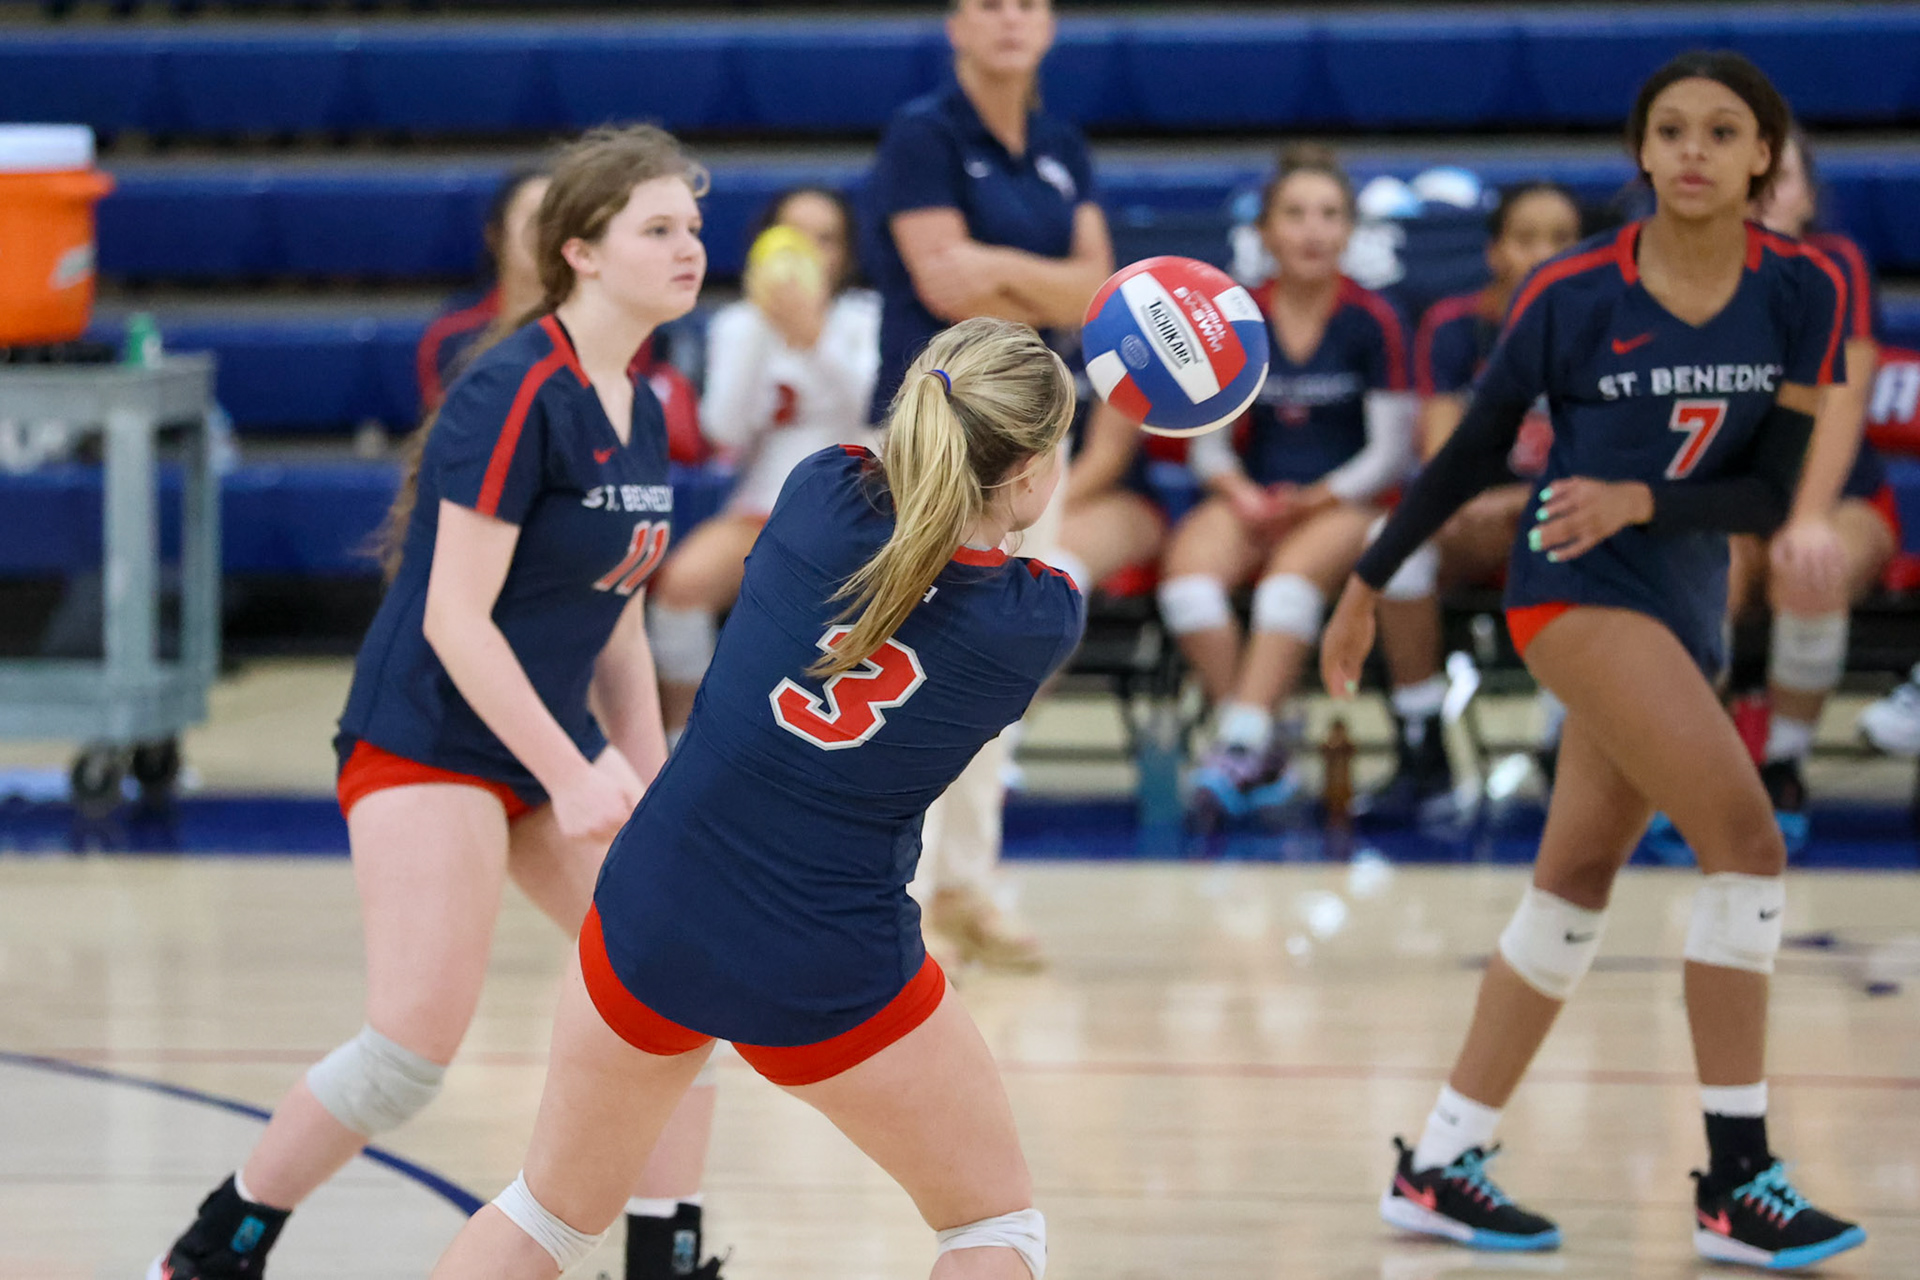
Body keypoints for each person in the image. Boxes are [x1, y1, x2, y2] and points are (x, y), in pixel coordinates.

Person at [149, 126, 728, 1280]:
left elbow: (616, 608)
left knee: (681, 985)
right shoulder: (513, 389)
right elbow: (457, 621)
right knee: (411, 1048)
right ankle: (222, 1243)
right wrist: (570, 774)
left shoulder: (645, 400)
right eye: (658, 229)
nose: (691, 250)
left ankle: (668, 1260)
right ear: (581, 251)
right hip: (425, 739)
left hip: (536, 741)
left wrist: (649, 778)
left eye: (696, 229)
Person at [1320, 53, 1866, 1268]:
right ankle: (1737, 1177)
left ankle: (1443, 1160)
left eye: (1724, 133)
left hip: (1682, 602)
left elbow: (1772, 495)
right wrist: (1367, 577)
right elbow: (1466, 456)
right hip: (1568, 589)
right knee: (1749, 841)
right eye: (1670, 130)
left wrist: (1641, 498)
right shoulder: (1573, 291)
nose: (1694, 152)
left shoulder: (1805, 287)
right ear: (1640, 152)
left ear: (1765, 158)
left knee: (1571, 882)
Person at [427, 317, 1083, 1280]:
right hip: (823, 959)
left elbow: (891, 481)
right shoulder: (1037, 620)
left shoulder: (820, 492)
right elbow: (984, 563)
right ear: (1029, 471)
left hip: (657, 902)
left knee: (549, 1217)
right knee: (991, 1228)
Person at [867, 0, 1113, 969]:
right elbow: (943, 286)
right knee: (919, 660)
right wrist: (1043, 280)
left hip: (1028, 445)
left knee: (1000, 665)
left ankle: (967, 881)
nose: (1010, 19)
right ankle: (904, 897)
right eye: (987, 4)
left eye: (1028, 4)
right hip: (930, 436)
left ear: (1051, 25)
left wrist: (1000, 272)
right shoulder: (923, 135)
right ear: (954, 25)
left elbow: (1099, 293)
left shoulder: (1060, 144)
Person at [1155, 143, 1415, 827]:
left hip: (1349, 501)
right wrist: (1242, 495)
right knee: (1187, 585)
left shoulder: (1376, 319)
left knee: (1286, 586)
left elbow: (1390, 454)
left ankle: (1236, 743)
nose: (1312, 230)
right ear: (1264, 231)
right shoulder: (1233, 317)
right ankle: (1260, 743)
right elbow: (1206, 447)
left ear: (1351, 231)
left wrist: (1314, 501)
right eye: (1294, 214)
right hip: (1256, 493)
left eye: (1329, 215)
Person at [1366, 182, 1584, 822]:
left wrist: (1523, 502)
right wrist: (1483, 504)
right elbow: (1440, 459)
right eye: (1526, 238)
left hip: (1565, 513)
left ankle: (1565, 739)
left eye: (1560, 239)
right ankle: (1422, 741)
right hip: (1479, 517)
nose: (1542, 254)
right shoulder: (1455, 325)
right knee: (1394, 543)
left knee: (1579, 531)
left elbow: (1603, 466)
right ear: (1495, 252)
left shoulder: (1605, 326)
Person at [647, 186, 880, 741]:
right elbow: (723, 431)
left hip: (861, 511)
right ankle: (686, 736)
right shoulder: (738, 325)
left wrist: (814, 337)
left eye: (826, 240)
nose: (808, 253)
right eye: (794, 236)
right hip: (763, 508)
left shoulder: (865, 316)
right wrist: (763, 329)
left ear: (844, 256)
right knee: (681, 585)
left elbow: (877, 411)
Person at [1723, 129, 1895, 846]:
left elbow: (1845, 397)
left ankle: (1782, 765)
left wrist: (1807, 515)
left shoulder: (1835, 264)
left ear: (1808, 196)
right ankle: (1696, 767)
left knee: (1809, 566)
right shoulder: (1685, 268)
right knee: (1699, 574)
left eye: (1780, 176)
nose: (1763, 192)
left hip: (1840, 495)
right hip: (1727, 498)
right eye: (1750, 173)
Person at [417, 168, 551, 414]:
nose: (546, 232)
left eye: (558, 220)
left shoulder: (603, 329)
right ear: (495, 235)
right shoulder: (451, 335)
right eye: (534, 219)